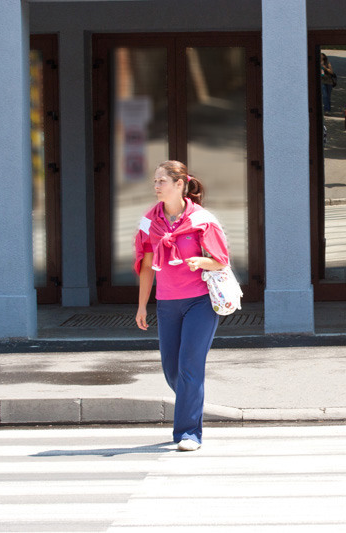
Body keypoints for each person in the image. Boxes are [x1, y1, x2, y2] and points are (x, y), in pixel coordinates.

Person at [134, 160, 230, 451]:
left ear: (180, 185)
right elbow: (147, 265)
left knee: (190, 366)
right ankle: (192, 400)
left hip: (199, 303)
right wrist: (141, 306)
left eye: (161, 181)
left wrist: (201, 261)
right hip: (166, 304)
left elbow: (221, 261)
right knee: (172, 370)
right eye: (155, 181)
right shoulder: (149, 220)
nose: (156, 186)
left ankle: (188, 433)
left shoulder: (203, 220)